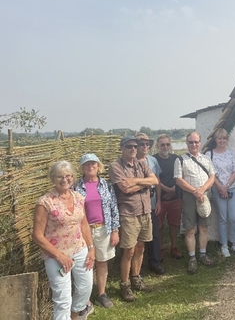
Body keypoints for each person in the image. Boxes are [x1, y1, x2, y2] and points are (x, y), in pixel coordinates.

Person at [33, 161, 95, 319]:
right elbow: (37, 235)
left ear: (73, 177)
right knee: (62, 300)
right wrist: (59, 256)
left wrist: (91, 248)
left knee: (85, 288)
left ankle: (76, 316)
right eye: (59, 176)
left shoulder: (79, 197)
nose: (64, 179)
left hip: (80, 250)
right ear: (52, 178)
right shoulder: (45, 202)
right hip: (56, 256)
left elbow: (84, 224)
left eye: (68, 176)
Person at [108, 136, 159, 302]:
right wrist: (145, 183)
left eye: (135, 146)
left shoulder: (141, 163)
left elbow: (155, 180)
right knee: (128, 250)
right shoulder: (115, 166)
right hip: (129, 213)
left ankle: (136, 278)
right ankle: (125, 284)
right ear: (121, 147)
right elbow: (125, 189)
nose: (133, 149)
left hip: (145, 211)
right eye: (129, 146)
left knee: (141, 246)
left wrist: (135, 181)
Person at [73, 154, 120, 309]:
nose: (90, 166)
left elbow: (114, 207)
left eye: (93, 163)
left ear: (98, 166)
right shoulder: (76, 187)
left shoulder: (105, 185)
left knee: (101, 262)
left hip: (103, 229)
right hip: (82, 231)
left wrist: (115, 230)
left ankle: (101, 293)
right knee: (84, 263)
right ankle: (84, 298)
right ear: (82, 167)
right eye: (86, 164)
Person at [174, 131, 216, 274]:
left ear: (200, 142)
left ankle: (203, 255)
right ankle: (192, 258)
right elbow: (178, 180)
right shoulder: (180, 160)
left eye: (196, 142)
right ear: (187, 143)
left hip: (204, 196)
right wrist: (194, 191)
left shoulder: (206, 159)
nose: (194, 144)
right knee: (190, 228)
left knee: (204, 227)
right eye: (191, 142)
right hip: (189, 197)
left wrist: (202, 190)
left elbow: (212, 176)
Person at [206, 128, 235, 257]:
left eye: (224, 138)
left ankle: (234, 243)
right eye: (219, 138)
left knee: (234, 217)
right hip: (217, 189)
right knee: (222, 218)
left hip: (231, 188)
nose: (222, 141)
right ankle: (224, 245)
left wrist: (226, 186)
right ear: (216, 140)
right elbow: (211, 173)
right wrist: (220, 187)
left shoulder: (231, 154)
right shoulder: (209, 155)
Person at [135, 133, 165, 275]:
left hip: (152, 202)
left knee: (154, 234)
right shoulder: (130, 162)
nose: (145, 147)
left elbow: (157, 181)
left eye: (147, 144)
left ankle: (155, 262)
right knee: (137, 237)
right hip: (136, 204)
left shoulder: (152, 161)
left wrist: (159, 200)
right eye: (142, 144)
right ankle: (136, 268)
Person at [153, 134, 183, 260]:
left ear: (170, 145)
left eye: (167, 144)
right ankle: (160, 248)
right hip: (159, 198)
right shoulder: (153, 160)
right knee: (159, 225)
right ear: (157, 146)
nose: (165, 147)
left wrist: (174, 189)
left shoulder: (176, 158)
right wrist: (166, 189)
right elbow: (153, 178)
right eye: (162, 145)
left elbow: (182, 176)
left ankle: (174, 247)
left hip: (175, 197)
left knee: (174, 224)